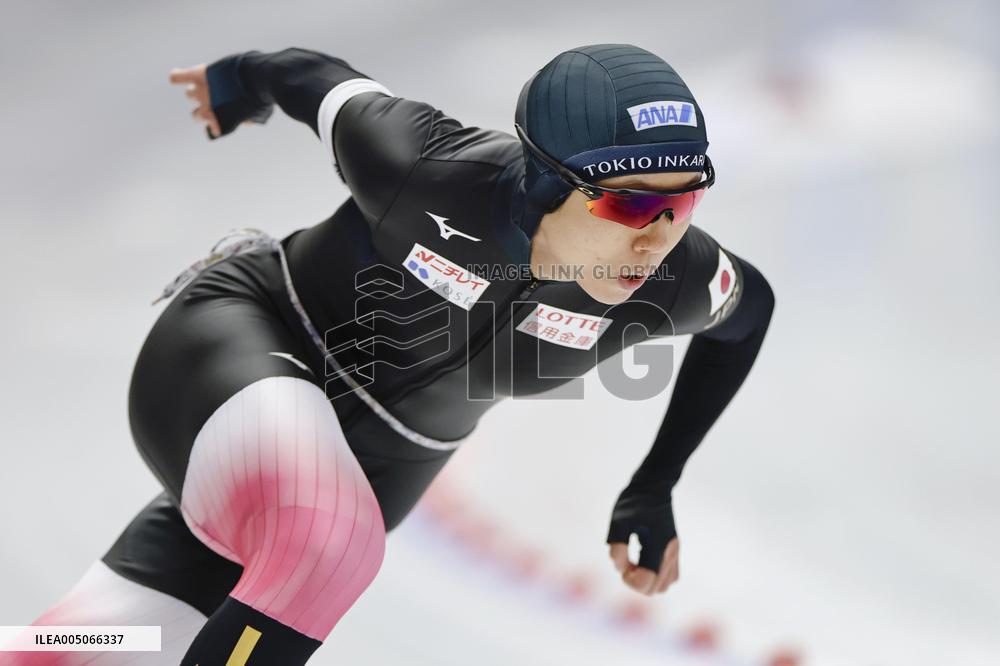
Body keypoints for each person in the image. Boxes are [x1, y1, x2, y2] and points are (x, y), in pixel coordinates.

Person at [8, 44, 774, 665]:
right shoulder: (430, 168)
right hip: (250, 341)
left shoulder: (679, 278)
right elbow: (307, 77)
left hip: (387, 463)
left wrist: (653, 484)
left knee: (109, 646)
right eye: (631, 201)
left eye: (686, 199)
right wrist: (233, 82)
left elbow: (750, 315)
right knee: (325, 540)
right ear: (545, 182)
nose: (658, 233)